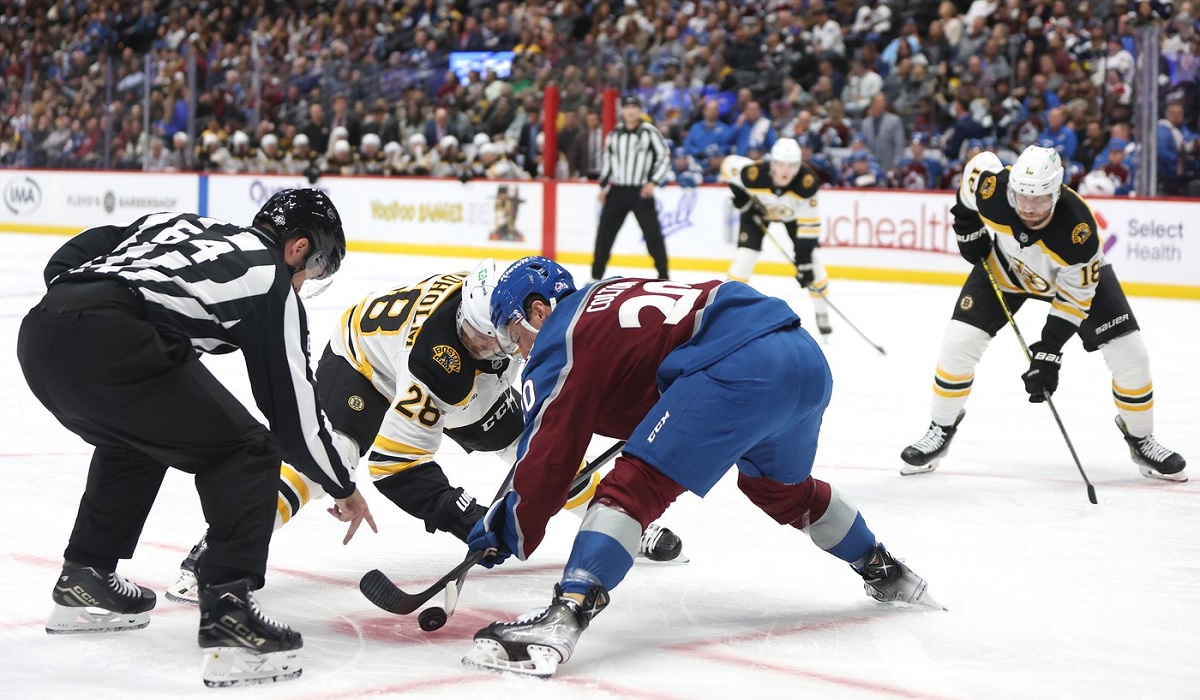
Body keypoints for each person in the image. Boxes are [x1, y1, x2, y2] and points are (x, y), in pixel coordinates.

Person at [461, 256, 942, 678]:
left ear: (538, 310)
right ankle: (886, 571)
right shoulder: (607, 295)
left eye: (509, 332)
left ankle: (564, 617)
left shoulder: (556, 338)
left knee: (630, 490)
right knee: (782, 490)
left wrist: (507, 526)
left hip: (739, 366)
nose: (514, 349)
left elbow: (549, 452)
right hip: (802, 358)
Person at [16, 189, 375, 687]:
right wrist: (343, 487)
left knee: (138, 437)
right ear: (298, 248)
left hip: (41, 332)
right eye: (312, 270)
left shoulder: (178, 225)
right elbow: (293, 422)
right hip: (113, 336)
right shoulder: (272, 280)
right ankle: (229, 612)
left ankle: (86, 577)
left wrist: (78, 313)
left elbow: (73, 254)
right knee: (250, 452)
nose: (304, 281)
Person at [166, 260, 687, 603]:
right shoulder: (440, 358)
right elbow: (395, 466)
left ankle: (621, 525)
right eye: (481, 337)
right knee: (332, 459)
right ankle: (219, 547)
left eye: (494, 337)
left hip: (462, 378)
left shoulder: (503, 305)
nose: (487, 344)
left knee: (532, 445)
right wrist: (466, 517)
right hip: (365, 361)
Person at [899, 146, 1188, 481]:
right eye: (1022, 197)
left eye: (1038, 200)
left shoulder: (1077, 230)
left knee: (1132, 355)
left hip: (1071, 282)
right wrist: (966, 226)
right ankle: (940, 429)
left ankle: (1141, 437)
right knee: (957, 344)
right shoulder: (993, 190)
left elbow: (1074, 297)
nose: (1028, 208)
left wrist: (1048, 350)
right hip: (1005, 270)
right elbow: (977, 168)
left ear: (1057, 192)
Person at [722, 138, 833, 335]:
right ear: (772, 162)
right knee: (743, 260)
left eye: (792, 165)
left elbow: (809, 229)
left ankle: (821, 311)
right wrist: (742, 199)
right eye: (780, 163)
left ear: (799, 165)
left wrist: (803, 262)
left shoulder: (807, 184)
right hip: (758, 212)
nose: (785, 170)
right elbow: (727, 165)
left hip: (793, 218)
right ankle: (725, 313)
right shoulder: (754, 174)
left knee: (814, 263)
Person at [591, 95, 672, 281]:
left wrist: (653, 182)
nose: (630, 111)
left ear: (640, 110)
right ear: (622, 110)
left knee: (653, 235)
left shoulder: (650, 132)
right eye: (627, 107)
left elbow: (664, 157)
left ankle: (664, 275)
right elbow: (607, 161)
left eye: (634, 107)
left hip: (640, 191)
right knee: (605, 234)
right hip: (617, 190)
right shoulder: (614, 134)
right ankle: (595, 277)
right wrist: (603, 186)